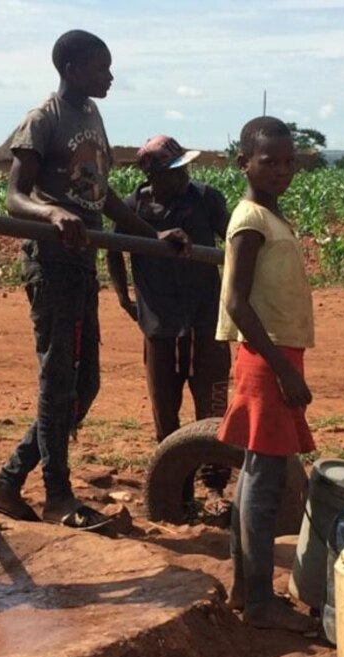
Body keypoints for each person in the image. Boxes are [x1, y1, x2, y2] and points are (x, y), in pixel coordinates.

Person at [0, 30, 189, 532]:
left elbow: (103, 199)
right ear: (71, 68)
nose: (110, 77)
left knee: (84, 383)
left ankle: (8, 483)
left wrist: (155, 234)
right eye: (101, 68)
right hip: (50, 264)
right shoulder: (43, 120)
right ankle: (56, 496)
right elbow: (15, 196)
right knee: (58, 381)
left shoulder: (92, 118)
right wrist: (51, 214)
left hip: (80, 263)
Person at [217, 116, 316, 633]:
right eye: (268, 161)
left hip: (276, 355)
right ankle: (257, 598)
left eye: (287, 161)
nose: (281, 170)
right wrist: (282, 369)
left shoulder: (270, 217)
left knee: (261, 472)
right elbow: (235, 301)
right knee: (265, 477)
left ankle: (243, 589)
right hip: (266, 358)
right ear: (243, 165)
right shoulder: (249, 220)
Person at [106, 135, 233, 514]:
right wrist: (124, 298)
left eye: (184, 169)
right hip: (159, 321)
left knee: (212, 404)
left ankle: (214, 489)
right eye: (174, 172)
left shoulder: (206, 199)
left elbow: (233, 240)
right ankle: (176, 489)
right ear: (154, 176)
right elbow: (114, 249)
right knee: (165, 407)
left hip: (205, 317)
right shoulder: (134, 208)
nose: (184, 177)